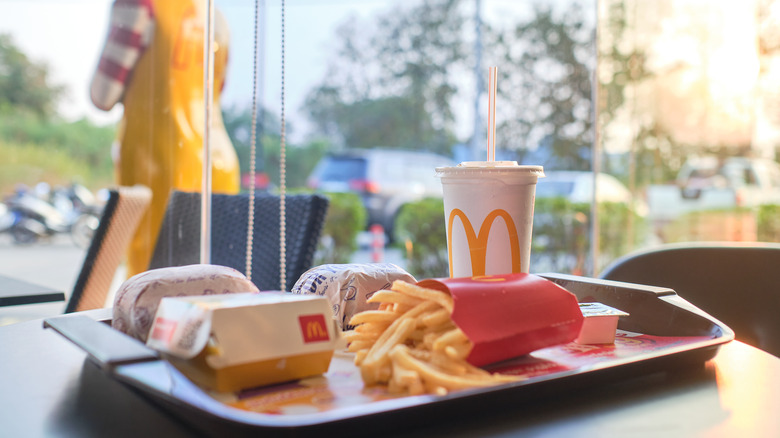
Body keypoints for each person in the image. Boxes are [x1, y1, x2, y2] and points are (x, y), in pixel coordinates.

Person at [90, 0, 240, 277]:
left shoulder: (138, 4)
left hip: (159, 158)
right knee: (213, 281)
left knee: (151, 284)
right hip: (217, 159)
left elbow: (102, 94)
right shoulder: (215, 16)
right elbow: (217, 89)